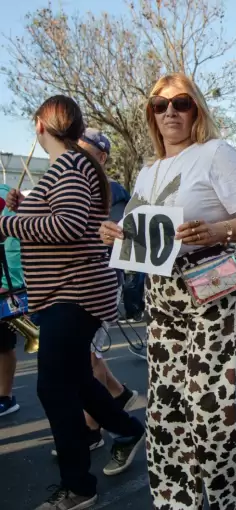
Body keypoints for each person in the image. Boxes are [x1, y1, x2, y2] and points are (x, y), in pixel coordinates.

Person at [99, 72, 236, 509]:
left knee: (209, 408)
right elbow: (141, 238)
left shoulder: (215, 153)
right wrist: (116, 235)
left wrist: (218, 228)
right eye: (160, 105)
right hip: (163, 292)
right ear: (151, 115)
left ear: (197, 110)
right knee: (168, 404)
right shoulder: (147, 172)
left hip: (211, 284)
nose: (170, 111)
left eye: (181, 103)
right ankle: (179, 501)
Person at [0, 95, 146, 510]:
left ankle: (79, 485)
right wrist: (27, 206)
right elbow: (70, 220)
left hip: (72, 292)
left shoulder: (68, 166)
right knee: (79, 378)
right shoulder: (74, 167)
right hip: (69, 290)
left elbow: (65, 226)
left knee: (53, 387)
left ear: (40, 126)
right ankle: (128, 429)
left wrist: (7, 221)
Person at [45, 128, 139, 456]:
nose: (76, 157)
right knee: (86, 361)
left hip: (97, 286)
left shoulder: (109, 189)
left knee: (84, 360)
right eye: (75, 150)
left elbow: (111, 236)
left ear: (101, 157)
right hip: (71, 288)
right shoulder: (70, 184)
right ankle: (118, 400)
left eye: (84, 152)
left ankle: (96, 426)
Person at [0, 184, 25, 418]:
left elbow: (12, 245)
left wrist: (10, 283)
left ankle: (4, 397)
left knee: (3, 345)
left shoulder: (5, 195)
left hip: (3, 286)